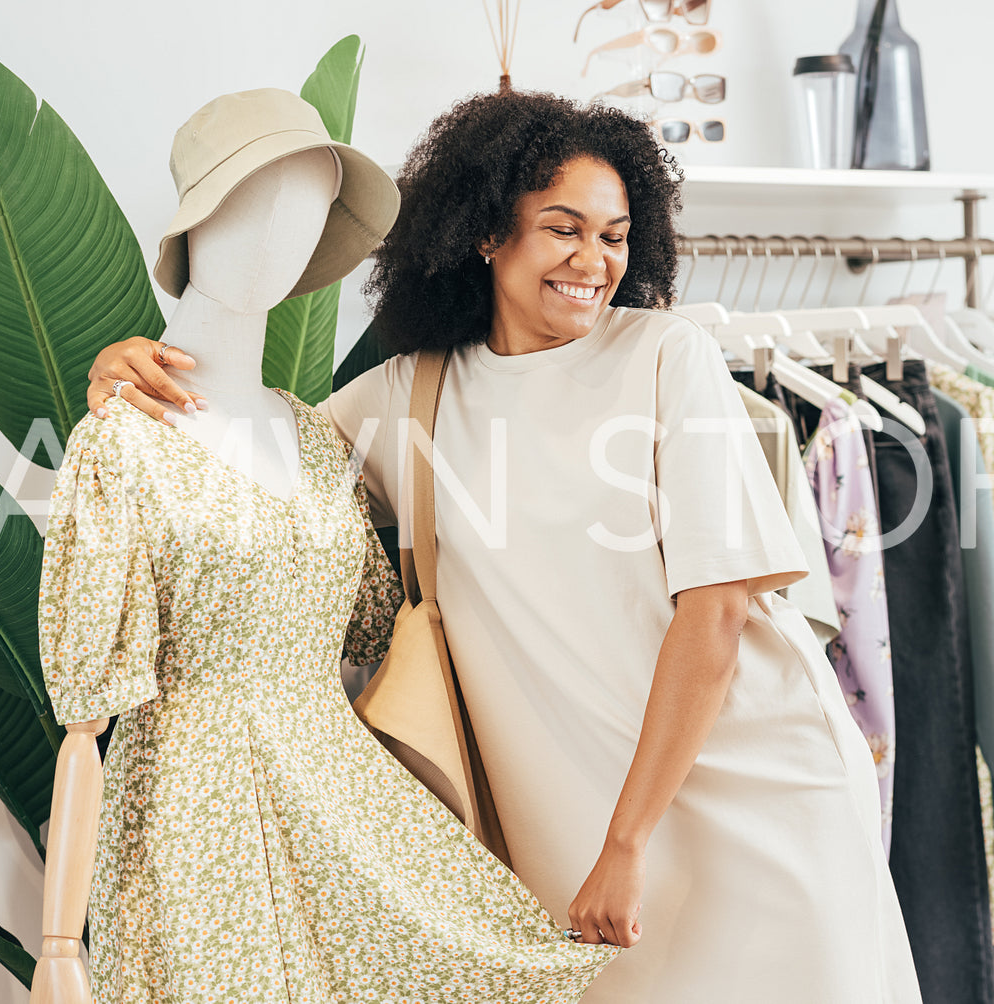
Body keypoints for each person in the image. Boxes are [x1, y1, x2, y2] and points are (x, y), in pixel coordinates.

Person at [86, 90, 921, 1003]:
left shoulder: (664, 358)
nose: (592, 261)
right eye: (563, 228)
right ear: (487, 234)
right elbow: (248, 454)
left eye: (614, 235)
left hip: (745, 793)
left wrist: (625, 843)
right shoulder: (404, 397)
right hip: (562, 815)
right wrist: (118, 369)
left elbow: (716, 616)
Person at [37, 88, 615, 1004]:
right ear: (196, 221)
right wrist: (58, 944)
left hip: (338, 796)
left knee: (496, 956)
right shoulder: (123, 438)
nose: (277, 235)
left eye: (304, 210)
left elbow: (366, 644)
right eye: (250, 204)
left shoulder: (318, 436)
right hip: (193, 810)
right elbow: (83, 724)